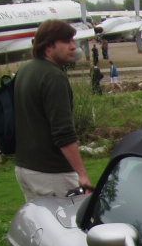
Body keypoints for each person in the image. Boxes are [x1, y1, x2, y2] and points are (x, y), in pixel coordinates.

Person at [13, 19, 93, 201]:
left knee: (42, 224)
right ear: (48, 46)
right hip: (52, 172)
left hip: (25, 167)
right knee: (72, 225)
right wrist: (82, 174)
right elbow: (63, 132)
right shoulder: (53, 77)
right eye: (67, 41)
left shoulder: (26, 70)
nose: (73, 46)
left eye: (73, 40)